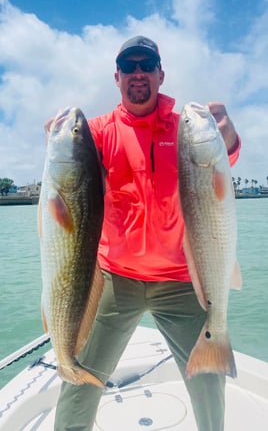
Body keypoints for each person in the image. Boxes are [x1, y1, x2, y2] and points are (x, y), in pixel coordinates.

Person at [53, 35, 240, 431]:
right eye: (130, 66)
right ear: (117, 77)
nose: (138, 73)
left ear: (160, 74)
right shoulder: (99, 132)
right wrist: (53, 140)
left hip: (180, 281)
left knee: (209, 381)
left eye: (147, 65)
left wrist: (228, 139)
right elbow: (70, 174)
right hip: (114, 279)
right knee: (78, 379)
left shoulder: (186, 127)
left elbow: (218, 165)